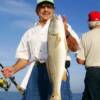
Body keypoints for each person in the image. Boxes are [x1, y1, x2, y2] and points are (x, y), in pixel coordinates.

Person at [1, 0, 79, 100]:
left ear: (53, 10)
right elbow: (24, 58)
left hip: (58, 70)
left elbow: (75, 48)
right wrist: (13, 69)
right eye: (42, 7)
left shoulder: (63, 26)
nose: (46, 9)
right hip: (36, 72)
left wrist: (66, 32)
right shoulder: (29, 33)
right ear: (37, 10)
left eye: (49, 6)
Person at [77, 11, 100, 100]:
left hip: (93, 73)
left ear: (90, 22)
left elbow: (80, 60)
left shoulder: (85, 36)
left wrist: (90, 59)